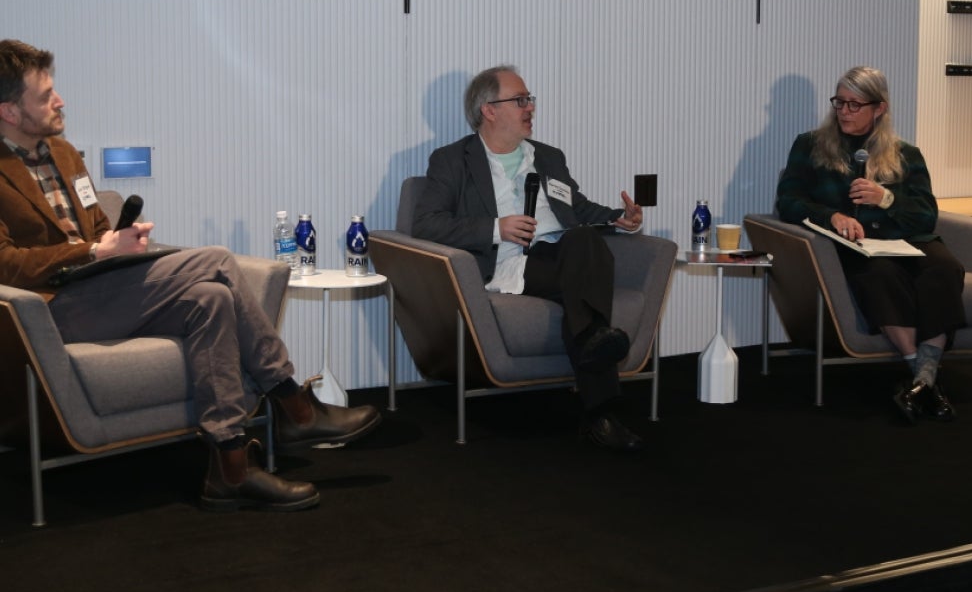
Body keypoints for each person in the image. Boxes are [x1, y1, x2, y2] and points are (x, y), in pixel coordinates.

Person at [0, 39, 382, 511]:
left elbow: (98, 226)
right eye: (45, 96)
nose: (59, 102)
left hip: (103, 293)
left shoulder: (64, 155)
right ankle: (290, 400)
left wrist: (119, 243)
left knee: (210, 299)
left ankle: (229, 468)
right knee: (217, 260)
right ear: (10, 112)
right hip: (48, 311)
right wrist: (94, 251)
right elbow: (6, 262)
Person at [412, 65, 645, 452]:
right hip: (512, 260)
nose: (529, 107)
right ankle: (601, 411)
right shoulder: (453, 160)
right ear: (489, 109)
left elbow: (578, 207)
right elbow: (425, 223)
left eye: (529, 99)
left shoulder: (549, 157)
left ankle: (592, 345)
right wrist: (495, 228)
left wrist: (619, 220)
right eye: (520, 100)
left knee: (585, 240)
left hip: (564, 251)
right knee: (587, 283)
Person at [776, 66, 965, 422]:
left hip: (909, 241)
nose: (844, 112)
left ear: (879, 108)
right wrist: (829, 216)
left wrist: (887, 199)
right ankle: (925, 380)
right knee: (879, 275)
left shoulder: (906, 153)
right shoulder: (810, 146)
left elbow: (926, 215)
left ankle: (921, 383)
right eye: (839, 103)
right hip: (859, 247)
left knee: (945, 268)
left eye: (854, 105)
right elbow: (788, 201)